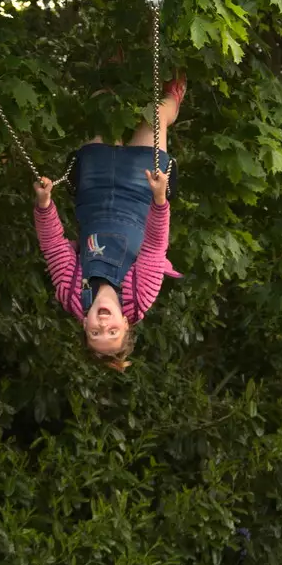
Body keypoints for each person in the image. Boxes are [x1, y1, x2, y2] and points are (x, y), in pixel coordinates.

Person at [33, 76, 186, 369]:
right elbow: (155, 245)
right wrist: (158, 198)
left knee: (102, 104)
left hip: (94, 190)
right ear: (126, 324)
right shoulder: (141, 295)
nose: (104, 323)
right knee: (155, 113)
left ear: (85, 325)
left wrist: (43, 204)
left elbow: (53, 246)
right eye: (112, 331)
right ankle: (175, 95)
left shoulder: (73, 292)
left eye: (95, 332)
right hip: (142, 191)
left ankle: (117, 62)